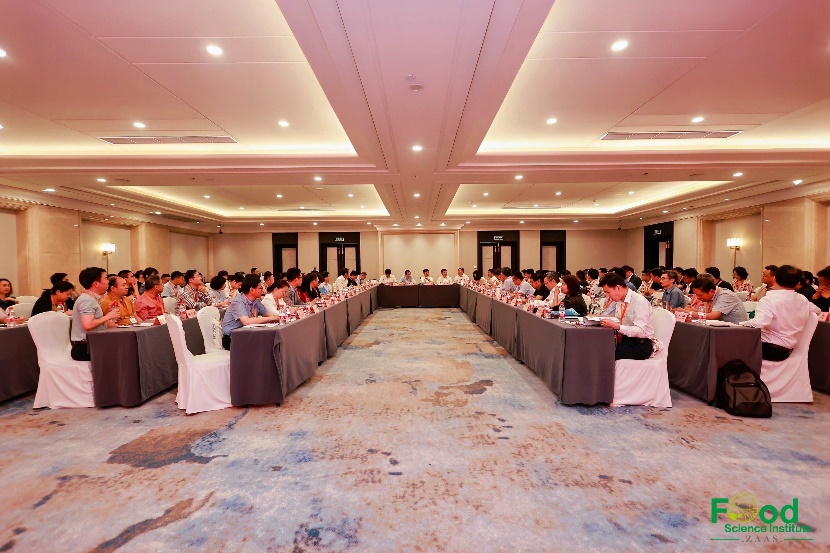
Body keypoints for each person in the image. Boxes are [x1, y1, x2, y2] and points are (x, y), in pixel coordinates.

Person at [741, 265, 820, 361]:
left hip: (769, 349)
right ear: (798, 283)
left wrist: (739, 324)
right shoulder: (802, 299)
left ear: (774, 279)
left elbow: (758, 323)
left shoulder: (769, 300)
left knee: (733, 347)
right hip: (787, 349)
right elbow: (817, 311)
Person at [598, 273, 655, 360]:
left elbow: (641, 331)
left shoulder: (639, 302)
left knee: (605, 352)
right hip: (626, 339)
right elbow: (619, 319)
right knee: (597, 345)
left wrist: (616, 326)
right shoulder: (620, 301)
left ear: (618, 288)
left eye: (608, 292)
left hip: (641, 344)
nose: (607, 296)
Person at [70, 267, 121, 360]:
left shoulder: (92, 298)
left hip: (93, 344)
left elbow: (94, 320)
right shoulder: (87, 300)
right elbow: (87, 325)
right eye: (105, 278)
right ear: (96, 283)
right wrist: (108, 316)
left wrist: (106, 312)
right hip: (86, 348)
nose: (108, 281)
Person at [221, 275, 281, 350]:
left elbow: (268, 315)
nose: (262, 290)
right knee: (263, 344)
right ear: (252, 290)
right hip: (232, 338)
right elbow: (246, 321)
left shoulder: (256, 301)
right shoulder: (238, 301)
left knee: (272, 341)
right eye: (260, 288)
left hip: (248, 334)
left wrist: (276, 318)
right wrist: (272, 318)